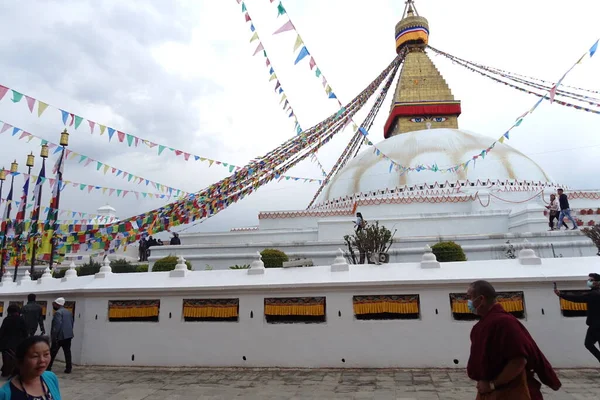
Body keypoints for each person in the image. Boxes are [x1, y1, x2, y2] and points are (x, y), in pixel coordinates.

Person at [466, 280, 561, 399]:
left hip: (510, 390)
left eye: (470, 297)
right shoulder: (487, 322)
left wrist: (492, 384)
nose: (468, 302)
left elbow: (519, 360)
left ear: (481, 299)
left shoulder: (504, 322)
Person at [554, 273, 600, 363]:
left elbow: (577, 297)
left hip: (597, 326)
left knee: (588, 344)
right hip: (594, 326)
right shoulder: (594, 293)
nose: (589, 282)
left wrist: (561, 294)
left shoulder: (595, 294)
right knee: (588, 344)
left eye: (591, 280)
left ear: (598, 282)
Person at [47, 298, 74, 374]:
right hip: (68, 335)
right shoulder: (68, 312)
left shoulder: (58, 313)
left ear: (58, 304)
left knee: (52, 352)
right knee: (67, 352)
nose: (54, 305)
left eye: (55, 304)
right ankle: (68, 368)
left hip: (59, 336)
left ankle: (48, 367)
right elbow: (72, 323)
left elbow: (57, 326)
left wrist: (54, 336)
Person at [0, 305, 28, 378]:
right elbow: (25, 332)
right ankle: (13, 373)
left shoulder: (6, 319)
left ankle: (6, 372)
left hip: (6, 343)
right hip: (18, 343)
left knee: (6, 359)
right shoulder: (21, 320)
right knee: (15, 358)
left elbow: (2, 331)